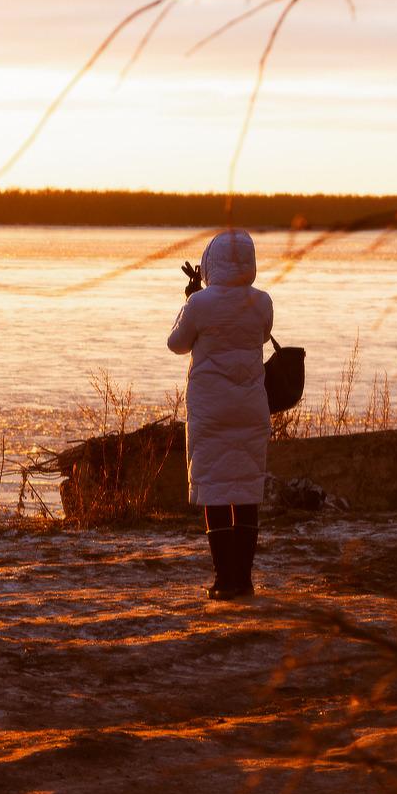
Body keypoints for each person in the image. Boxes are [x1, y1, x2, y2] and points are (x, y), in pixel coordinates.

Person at [166, 230, 273, 599]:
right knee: (245, 492)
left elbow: (177, 344)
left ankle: (222, 579)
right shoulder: (262, 303)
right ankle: (243, 580)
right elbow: (259, 337)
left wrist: (192, 298)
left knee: (213, 491)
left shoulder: (200, 305)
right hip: (249, 407)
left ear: (209, 262)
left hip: (211, 409)